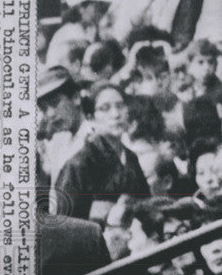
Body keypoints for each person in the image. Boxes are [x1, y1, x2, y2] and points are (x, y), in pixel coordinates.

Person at [54, 83, 150, 222]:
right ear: (91, 117)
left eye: (120, 106)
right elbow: (65, 225)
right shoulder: (79, 164)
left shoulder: (130, 157)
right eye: (105, 108)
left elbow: (146, 203)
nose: (116, 114)